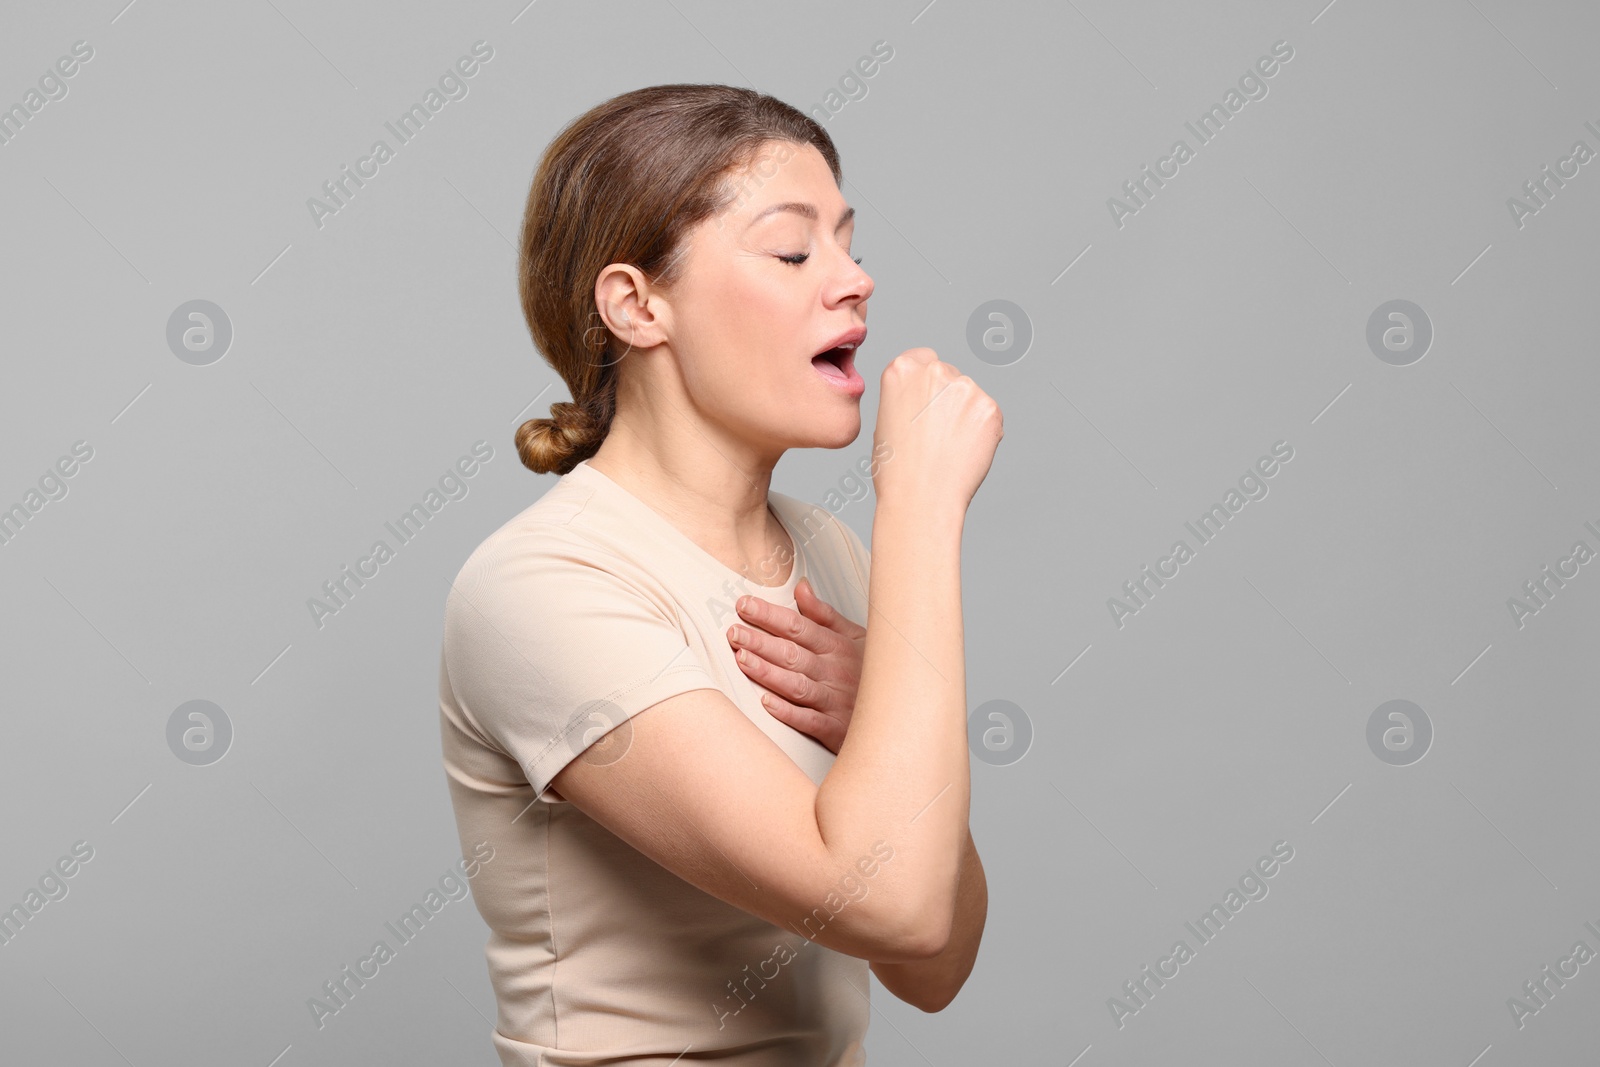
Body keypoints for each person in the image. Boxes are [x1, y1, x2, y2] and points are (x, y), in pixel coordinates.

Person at [437, 83, 1002, 1066]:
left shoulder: (830, 553)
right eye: (793, 250)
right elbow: (894, 907)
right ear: (636, 303)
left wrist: (889, 700)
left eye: (848, 244)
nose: (855, 280)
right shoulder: (544, 586)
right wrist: (918, 503)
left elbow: (933, 965)